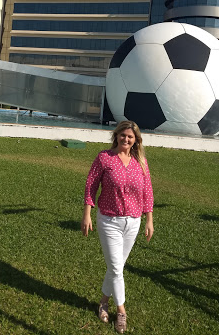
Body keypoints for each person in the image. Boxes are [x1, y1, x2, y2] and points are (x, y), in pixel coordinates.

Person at [81, 120, 154, 333]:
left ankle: (103, 301)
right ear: (117, 136)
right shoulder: (104, 158)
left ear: (136, 140)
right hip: (109, 220)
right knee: (115, 267)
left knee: (117, 268)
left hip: (133, 221)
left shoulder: (140, 161)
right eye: (123, 135)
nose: (126, 139)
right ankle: (121, 311)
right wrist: (87, 214)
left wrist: (149, 220)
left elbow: (147, 192)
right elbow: (90, 186)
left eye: (130, 137)